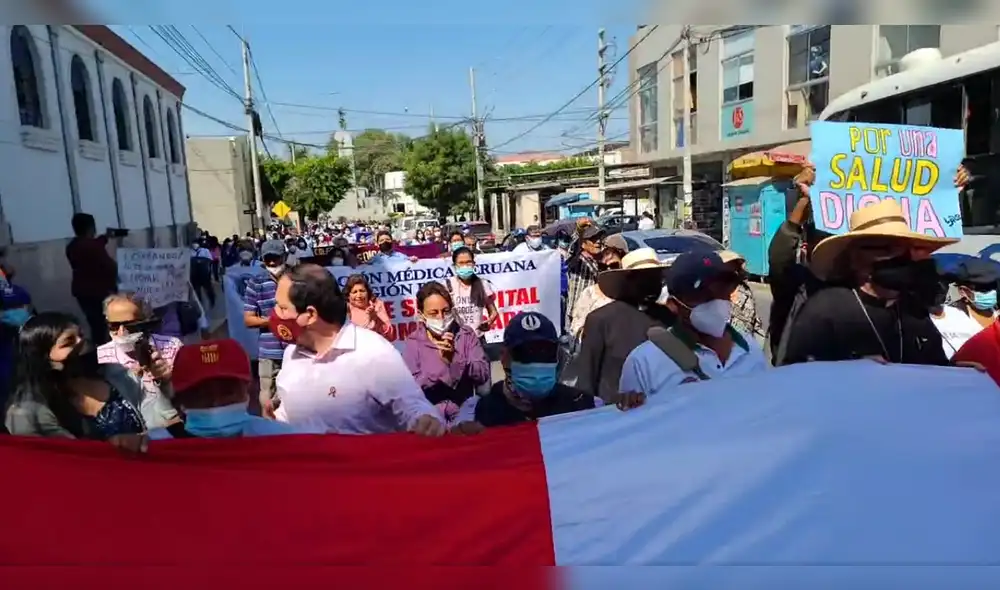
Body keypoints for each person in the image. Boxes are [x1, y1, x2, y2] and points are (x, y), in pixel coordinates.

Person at [270, 264, 445, 435]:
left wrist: (426, 421)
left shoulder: (372, 351)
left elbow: (412, 406)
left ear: (310, 315)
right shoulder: (290, 355)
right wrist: (272, 421)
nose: (275, 313)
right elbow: (288, 415)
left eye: (282, 308)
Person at [782, 199, 956, 366]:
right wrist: (850, 372)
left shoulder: (913, 309)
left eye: (904, 249)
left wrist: (959, 374)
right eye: (885, 247)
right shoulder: (825, 308)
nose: (897, 257)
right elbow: (798, 374)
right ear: (854, 258)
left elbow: (934, 366)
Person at [619, 251, 769, 398]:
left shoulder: (749, 346)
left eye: (721, 290)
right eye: (701, 294)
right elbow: (634, 419)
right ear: (674, 305)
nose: (715, 302)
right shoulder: (644, 363)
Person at [5, 312, 152, 450]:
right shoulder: (27, 412)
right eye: (68, 342)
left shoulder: (114, 374)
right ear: (43, 357)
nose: (81, 343)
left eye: (81, 335)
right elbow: (46, 462)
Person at [452, 311, 600, 431]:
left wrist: (622, 410)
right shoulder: (476, 412)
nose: (536, 360)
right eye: (524, 353)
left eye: (545, 352)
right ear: (504, 357)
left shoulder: (585, 405)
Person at [147, 339, 321, 439]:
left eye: (227, 391)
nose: (215, 402)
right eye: (201, 394)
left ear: (248, 389)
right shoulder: (151, 449)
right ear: (181, 399)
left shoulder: (288, 441)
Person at [572, 248, 675, 403]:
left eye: (656, 277)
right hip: (615, 414)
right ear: (628, 281)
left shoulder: (668, 317)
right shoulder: (601, 320)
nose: (653, 283)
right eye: (645, 278)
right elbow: (586, 380)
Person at [402, 282, 489, 422]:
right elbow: (409, 387)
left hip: (464, 414)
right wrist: (439, 367)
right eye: (433, 313)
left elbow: (482, 374)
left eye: (446, 311)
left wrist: (455, 359)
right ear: (421, 315)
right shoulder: (414, 342)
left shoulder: (466, 335)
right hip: (430, 417)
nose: (441, 317)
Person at [96, 293, 181, 428]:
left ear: (147, 321)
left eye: (130, 325)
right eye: (114, 326)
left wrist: (166, 380)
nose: (121, 332)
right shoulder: (101, 357)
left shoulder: (172, 347)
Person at [243, 239, 290, 416]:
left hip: (294, 349)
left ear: (284, 257)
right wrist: (274, 320)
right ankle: (268, 431)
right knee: (267, 396)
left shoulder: (296, 280)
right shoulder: (256, 283)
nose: (271, 263)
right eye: (268, 259)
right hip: (268, 351)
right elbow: (249, 320)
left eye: (275, 258)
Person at [65, 213, 118, 345]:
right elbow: (109, 266)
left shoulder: (72, 246)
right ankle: (104, 354)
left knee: (95, 324)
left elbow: (92, 245)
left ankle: (98, 350)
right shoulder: (93, 247)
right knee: (104, 324)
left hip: (82, 291)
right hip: (98, 291)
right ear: (91, 227)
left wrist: (105, 237)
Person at [568, 234, 626, 339]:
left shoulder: (631, 292)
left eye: (613, 266)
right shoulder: (590, 293)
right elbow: (577, 330)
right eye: (603, 267)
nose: (608, 270)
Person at [447, 246, 499, 335]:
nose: (465, 266)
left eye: (468, 262)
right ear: (454, 266)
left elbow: (493, 312)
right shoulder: (448, 285)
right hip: (456, 337)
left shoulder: (483, 284)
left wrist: (488, 322)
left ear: (474, 264)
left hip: (477, 337)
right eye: (461, 263)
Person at [564, 225, 605, 331]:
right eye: (593, 239)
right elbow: (572, 250)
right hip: (578, 315)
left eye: (599, 237)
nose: (598, 241)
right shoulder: (577, 261)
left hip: (596, 313)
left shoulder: (601, 260)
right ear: (583, 243)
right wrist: (578, 230)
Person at [720, 251, 765, 341]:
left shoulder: (744, 290)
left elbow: (750, 322)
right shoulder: (712, 292)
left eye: (734, 268)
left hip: (747, 342)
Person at [949, 257, 999, 329]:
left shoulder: (997, 311)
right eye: (984, 288)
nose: (992, 292)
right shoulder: (954, 323)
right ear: (963, 291)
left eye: (994, 286)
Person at [344, 274, 394, 339]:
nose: (359, 295)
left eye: (362, 291)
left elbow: (390, 335)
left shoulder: (377, 305)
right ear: (349, 295)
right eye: (354, 292)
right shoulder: (345, 308)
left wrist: (375, 318)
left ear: (368, 292)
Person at [190, 236, 216, 309]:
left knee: (208, 288)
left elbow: (210, 261)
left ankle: (212, 300)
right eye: (193, 244)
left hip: (204, 273)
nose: (194, 245)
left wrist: (210, 273)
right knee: (197, 290)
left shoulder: (205, 251)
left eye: (196, 243)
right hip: (194, 274)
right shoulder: (190, 252)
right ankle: (199, 304)